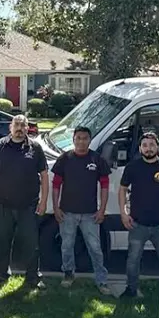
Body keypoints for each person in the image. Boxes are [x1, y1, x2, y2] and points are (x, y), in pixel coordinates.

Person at [0, 114, 49, 290]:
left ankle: (33, 277)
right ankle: (0, 274)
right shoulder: (0, 145)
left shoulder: (35, 148)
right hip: (2, 205)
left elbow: (44, 176)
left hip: (28, 206)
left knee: (31, 243)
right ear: (10, 128)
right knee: (2, 241)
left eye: (23, 125)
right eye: (16, 125)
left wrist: (43, 202)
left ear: (28, 128)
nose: (19, 129)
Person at [118, 132, 159, 298]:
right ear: (140, 148)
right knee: (133, 261)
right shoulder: (132, 167)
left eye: (152, 145)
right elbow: (122, 190)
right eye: (145, 145)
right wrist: (124, 213)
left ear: (158, 147)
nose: (148, 148)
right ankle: (131, 290)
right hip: (137, 224)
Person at [51, 125, 112, 293]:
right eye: (78, 138)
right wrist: (56, 208)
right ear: (73, 140)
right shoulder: (64, 159)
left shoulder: (97, 160)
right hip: (67, 213)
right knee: (66, 246)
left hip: (90, 214)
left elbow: (105, 186)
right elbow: (56, 185)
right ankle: (69, 273)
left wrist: (102, 210)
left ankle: (101, 280)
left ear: (90, 140)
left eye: (85, 138)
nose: (81, 141)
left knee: (95, 248)